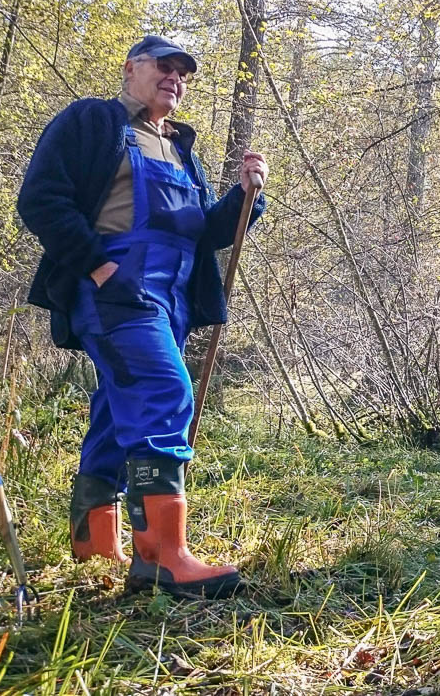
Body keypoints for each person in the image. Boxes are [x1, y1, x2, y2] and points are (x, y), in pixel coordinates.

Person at [17, 35, 267, 599]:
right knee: (162, 390)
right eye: (164, 66)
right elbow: (41, 199)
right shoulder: (93, 122)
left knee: (118, 409)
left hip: (172, 298)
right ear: (131, 69)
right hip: (116, 290)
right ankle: (162, 558)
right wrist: (98, 267)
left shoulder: (180, 148)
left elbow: (205, 232)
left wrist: (244, 198)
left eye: (184, 73)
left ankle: (93, 544)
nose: (175, 78)